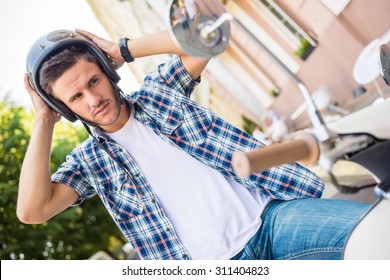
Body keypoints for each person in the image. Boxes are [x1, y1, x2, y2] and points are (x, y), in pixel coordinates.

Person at [18, 28, 370, 260]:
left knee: (374, 233)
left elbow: (210, 34)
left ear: (108, 74)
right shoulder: (88, 162)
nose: (93, 99)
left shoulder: (159, 93)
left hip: (273, 219)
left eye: (94, 81)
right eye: (75, 97)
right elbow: (33, 211)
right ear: (65, 108)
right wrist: (44, 120)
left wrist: (124, 50)